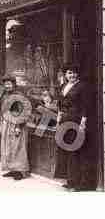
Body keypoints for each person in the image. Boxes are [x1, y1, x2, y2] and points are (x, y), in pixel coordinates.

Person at [54, 63, 93, 191]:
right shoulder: (64, 86)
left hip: (76, 121)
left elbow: (86, 106)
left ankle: (79, 183)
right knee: (67, 150)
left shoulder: (82, 87)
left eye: (75, 72)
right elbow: (60, 104)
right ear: (65, 74)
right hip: (65, 121)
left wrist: (83, 123)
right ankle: (70, 180)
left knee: (77, 151)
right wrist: (59, 118)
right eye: (70, 73)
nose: (72, 75)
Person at [0, 75, 31, 181]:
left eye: (9, 84)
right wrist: (0, 125)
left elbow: (23, 111)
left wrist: (18, 126)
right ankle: (12, 169)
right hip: (7, 123)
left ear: (14, 84)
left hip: (17, 124)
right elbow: (2, 111)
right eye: (6, 84)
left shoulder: (19, 95)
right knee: (8, 146)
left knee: (18, 147)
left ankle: (21, 171)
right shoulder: (4, 95)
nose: (7, 86)